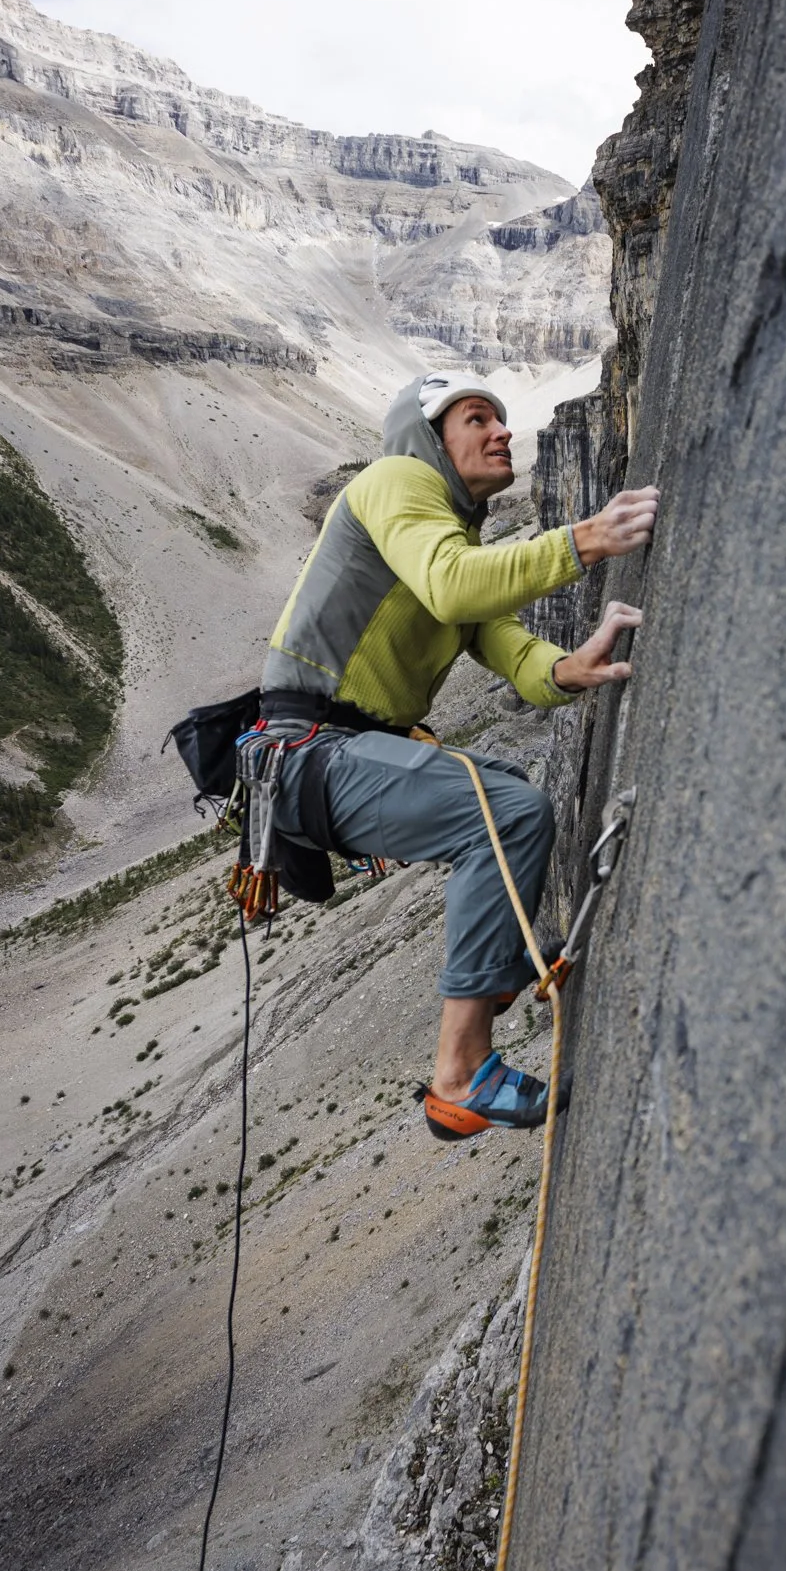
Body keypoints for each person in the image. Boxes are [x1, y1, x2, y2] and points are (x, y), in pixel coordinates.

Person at [256, 369, 658, 1138]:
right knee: (504, 813)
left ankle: (496, 969)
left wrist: (566, 668)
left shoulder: (447, 535)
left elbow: (504, 645)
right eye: (477, 418)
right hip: (308, 750)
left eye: (500, 419)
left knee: (508, 793)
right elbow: (450, 588)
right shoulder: (395, 481)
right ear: (428, 439)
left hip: (328, 755)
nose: (501, 431)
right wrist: (584, 540)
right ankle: (460, 1075)